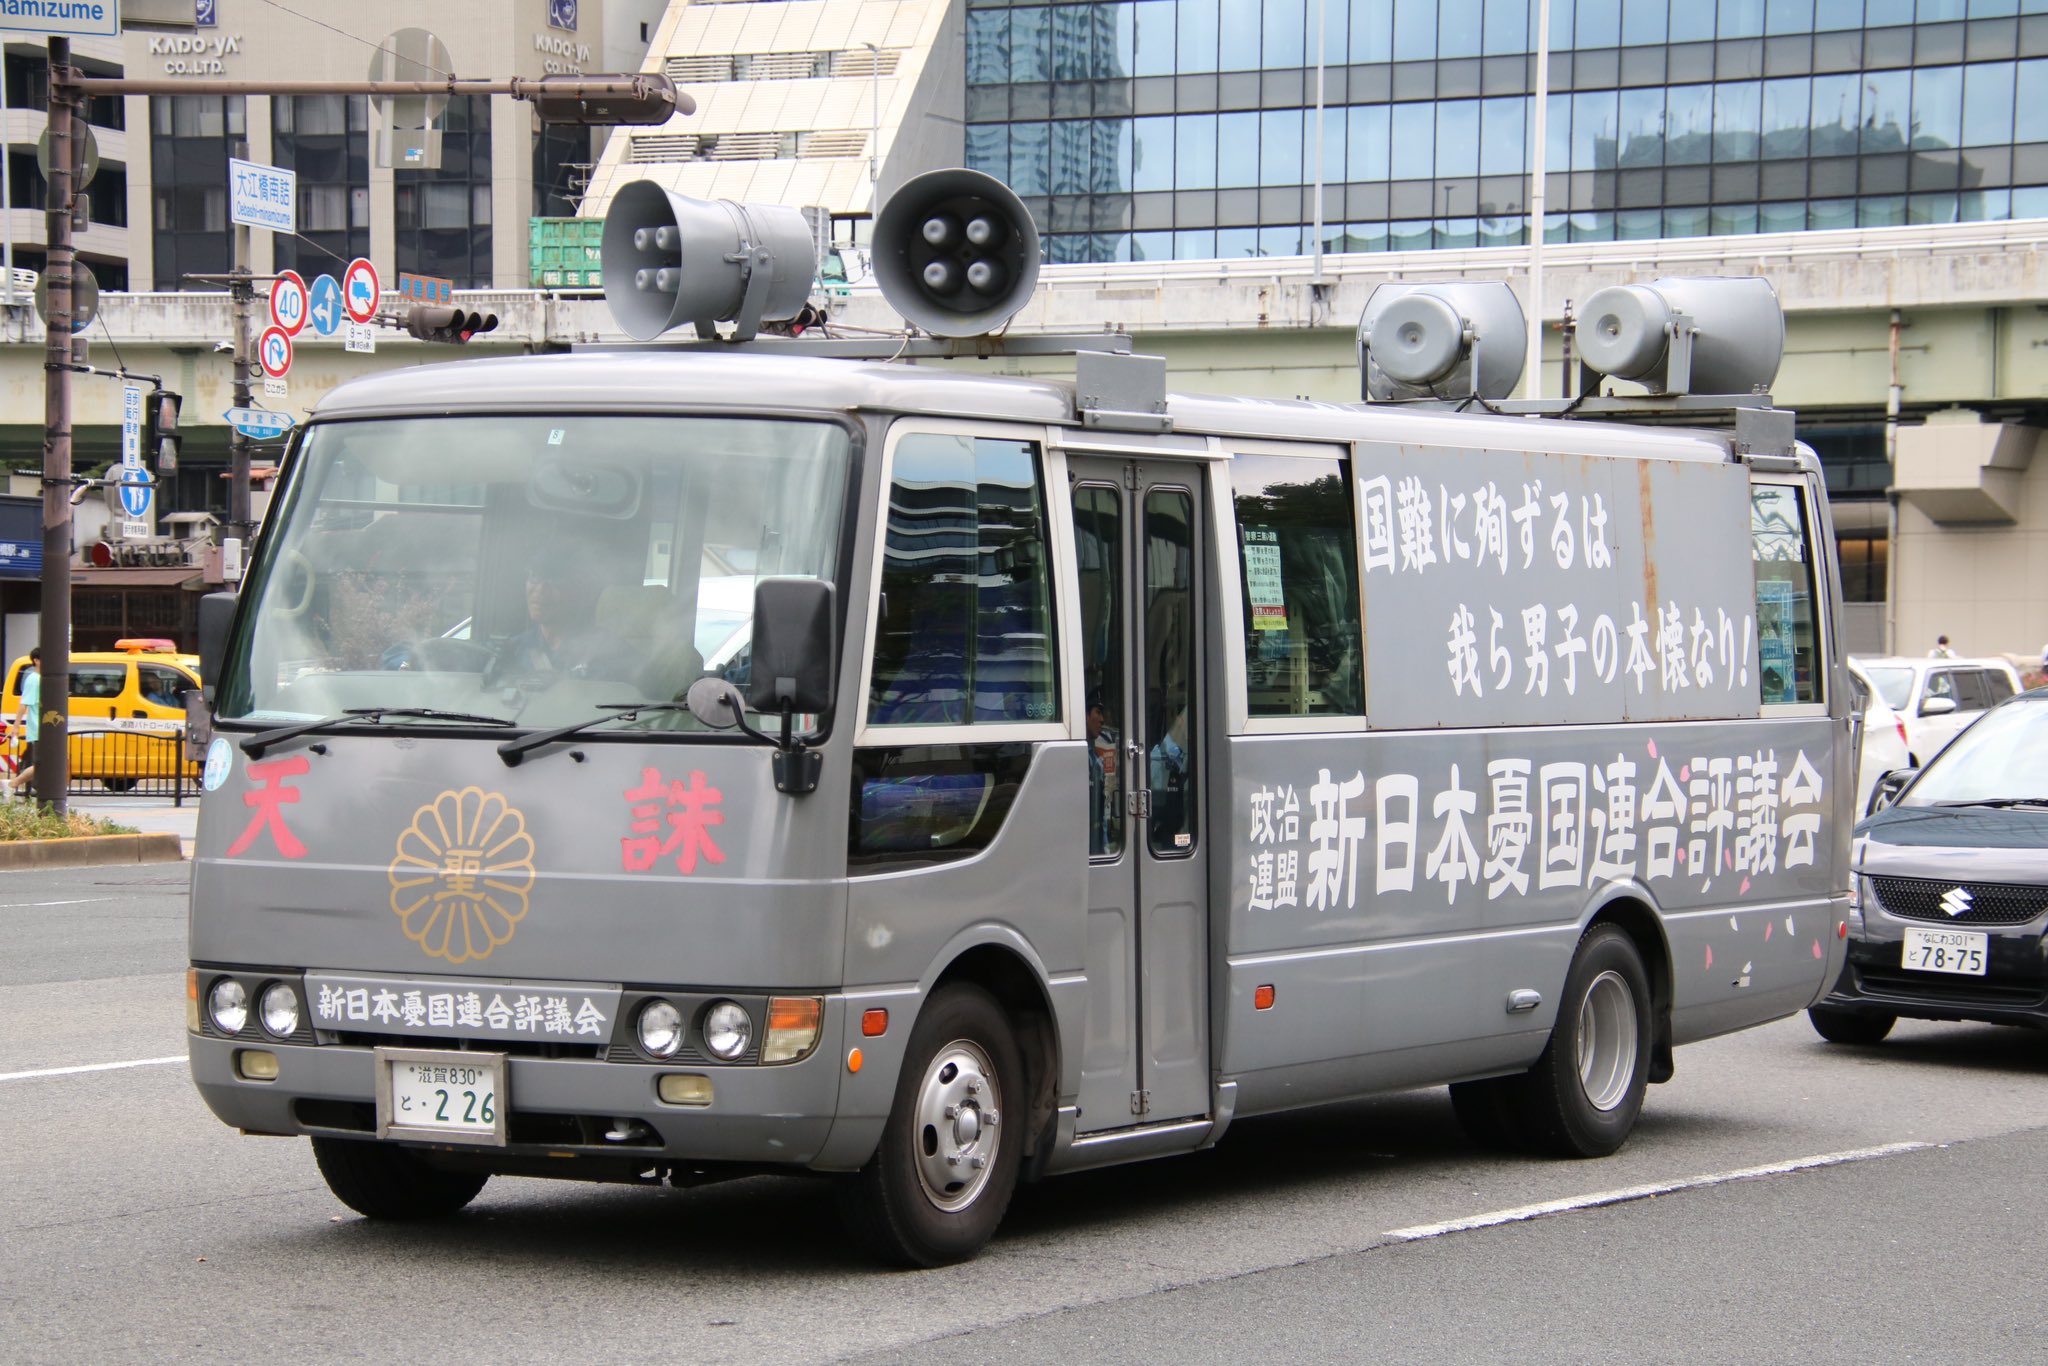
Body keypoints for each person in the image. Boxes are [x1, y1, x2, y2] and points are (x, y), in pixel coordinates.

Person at [490, 544, 643, 685]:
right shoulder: (511, 650)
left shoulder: (614, 655)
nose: (541, 589)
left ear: (581, 592)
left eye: (555, 580)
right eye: (534, 577)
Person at [9, 648, 39, 800]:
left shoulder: (41, 678)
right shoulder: (33, 679)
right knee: (44, 764)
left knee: (51, 763)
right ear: (37, 660)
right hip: (39, 728)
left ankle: (14, 784)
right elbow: (24, 704)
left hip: (46, 728)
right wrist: (15, 727)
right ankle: (12, 784)